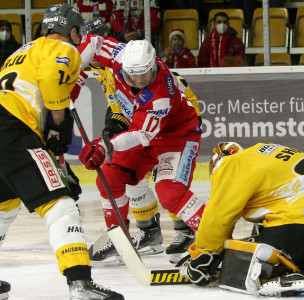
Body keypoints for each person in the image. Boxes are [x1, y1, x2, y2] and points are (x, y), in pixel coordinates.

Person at [0, 4, 123, 299]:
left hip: (8, 130)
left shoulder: (21, 52)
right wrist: (60, 123)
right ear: (73, 30)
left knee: (4, 207)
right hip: (12, 132)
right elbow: (55, 85)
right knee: (61, 205)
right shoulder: (63, 48)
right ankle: (80, 284)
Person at [76, 38, 205, 263]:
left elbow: (140, 135)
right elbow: (94, 42)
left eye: (143, 75)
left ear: (153, 66)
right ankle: (119, 237)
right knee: (108, 175)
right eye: (131, 75)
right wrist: (71, 74)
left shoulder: (160, 94)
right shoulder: (120, 56)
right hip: (144, 133)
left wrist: (106, 147)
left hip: (177, 138)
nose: (137, 80)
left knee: (169, 192)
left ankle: (211, 236)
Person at [180, 142, 304, 296]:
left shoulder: (232, 164)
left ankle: (284, 273)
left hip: (303, 216)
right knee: (285, 240)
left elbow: (218, 215)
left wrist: (204, 256)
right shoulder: (261, 154)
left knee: (248, 253)